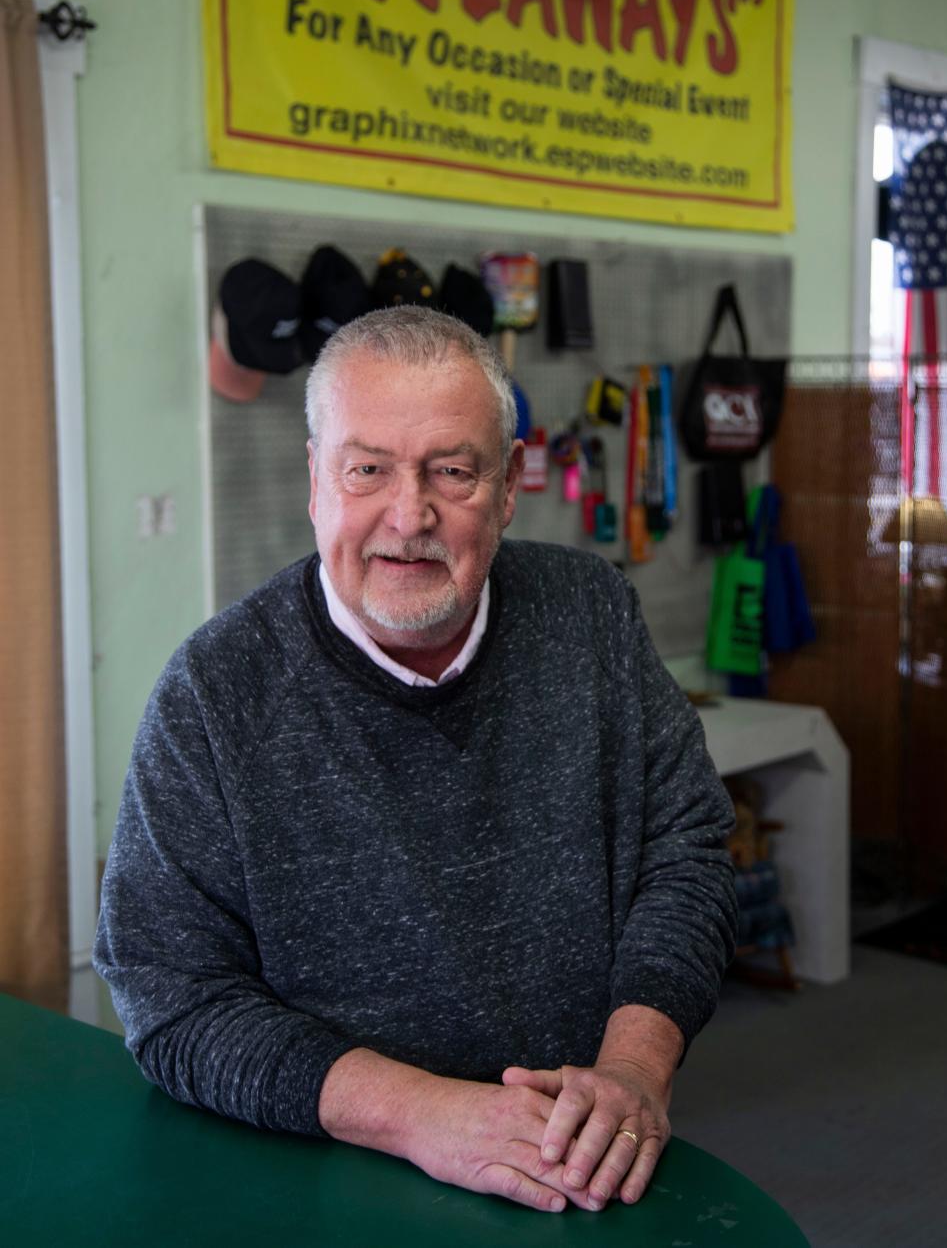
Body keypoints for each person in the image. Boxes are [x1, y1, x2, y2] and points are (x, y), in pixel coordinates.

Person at [95, 306, 736, 1216]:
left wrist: (633, 1066)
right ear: (314, 478)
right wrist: (418, 1114)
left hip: (576, 1160)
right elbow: (170, 995)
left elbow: (687, 850)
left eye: (452, 470)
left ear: (510, 485)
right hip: (322, 1183)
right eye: (367, 470)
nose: (409, 515)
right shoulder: (213, 692)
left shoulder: (592, 614)